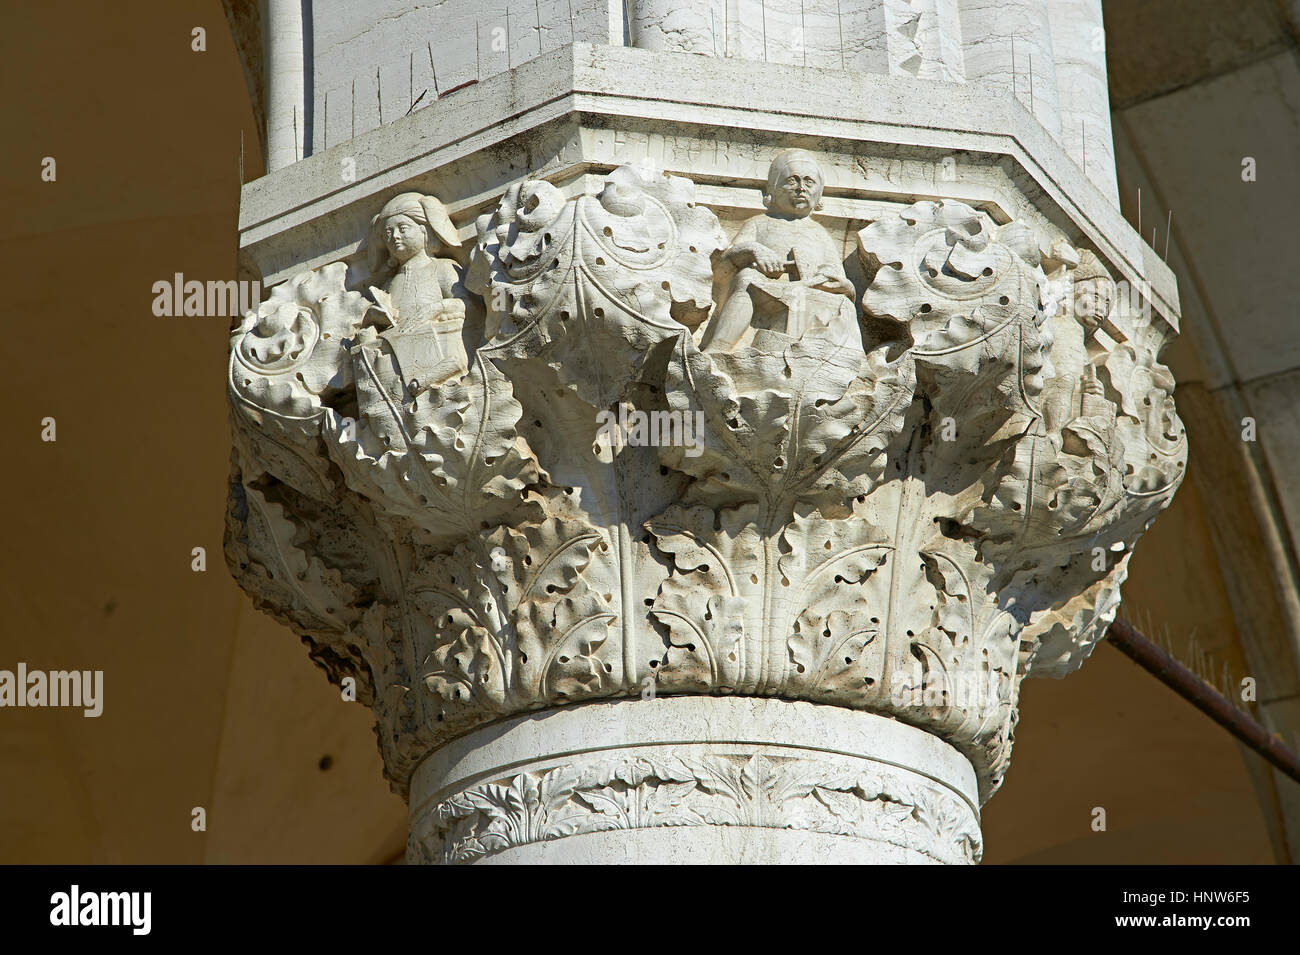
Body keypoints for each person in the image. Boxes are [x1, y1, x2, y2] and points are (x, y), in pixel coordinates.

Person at [699, 149, 857, 352]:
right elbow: (724, 264)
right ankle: (720, 345)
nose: (801, 188)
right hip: (767, 291)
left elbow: (845, 285)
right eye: (792, 180)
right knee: (747, 277)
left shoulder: (819, 234)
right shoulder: (759, 223)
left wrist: (840, 284)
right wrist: (754, 250)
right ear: (773, 189)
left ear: (819, 193)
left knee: (842, 304)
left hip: (807, 295)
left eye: (809, 182)